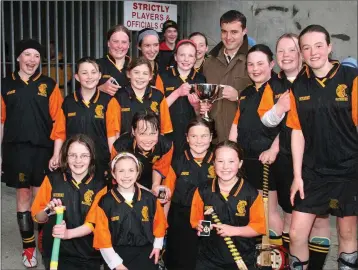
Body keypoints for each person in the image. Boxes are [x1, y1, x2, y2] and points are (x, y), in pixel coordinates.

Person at [287, 25, 358, 270]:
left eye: (318, 45)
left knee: (347, 234)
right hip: (313, 172)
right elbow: (297, 131)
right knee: (296, 234)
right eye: (306, 47)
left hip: (349, 170)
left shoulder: (350, 79)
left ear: (329, 46)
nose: (313, 52)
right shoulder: (298, 85)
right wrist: (297, 176)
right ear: (301, 53)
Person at [257, 33, 331, 269]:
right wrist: (279, 108)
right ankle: (294, 264)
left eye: (291, 50)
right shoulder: (273, 84)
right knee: (293, 217)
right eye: (281, 51)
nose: (286, 55)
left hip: (319, 160)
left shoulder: (313, 78)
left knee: (319, 219)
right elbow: (266, 121)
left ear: (301, 53)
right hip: (287, 159)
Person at [1, 39, 63, 268]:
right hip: (16, 150)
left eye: (36, 56)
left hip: (43, 150)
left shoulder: (49, 84)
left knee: (41, 200)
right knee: (23, 197)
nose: (32, 60)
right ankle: (28, 249)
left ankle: (43, 242)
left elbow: (58, 121)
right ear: (18, 57)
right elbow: (1, 121)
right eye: (27, 54)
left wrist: (57, 153)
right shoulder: (6, 84)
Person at [229, 44, 283, 248]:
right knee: (253, 210)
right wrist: (230, 150)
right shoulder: (246, 92)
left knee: (269, 211)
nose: (255, 68)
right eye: (251, 64)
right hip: (246, 160)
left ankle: (278, 258)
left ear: (271, 64)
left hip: (267, 161)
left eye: (260, 63)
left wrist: (273, 149)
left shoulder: (279, 88)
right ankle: (259, 254)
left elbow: (287, 126)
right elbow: (237, 122)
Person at [31, 134, 104, 270]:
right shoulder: (52, 179)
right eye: (72, 155)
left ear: (92, 157)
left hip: (88, 255)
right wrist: (48, 211)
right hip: (56, 253)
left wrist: (68, 234)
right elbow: (37, 217)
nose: (78, 160)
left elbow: (93, 223)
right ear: (65, 156)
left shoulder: (100, 185)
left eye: (84, 155)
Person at [190, 140, 266, 270]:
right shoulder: (203, 190)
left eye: (231, 161)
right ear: (214, 163)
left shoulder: (250, 193)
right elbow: (196, 221)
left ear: (240, 163)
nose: (225, 167)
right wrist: (201, 228)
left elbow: (258, 228)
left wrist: (233, 230)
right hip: (208, 260)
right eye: (220, 161)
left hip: (242, 259)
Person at [93, 152, 167, 270]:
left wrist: (157, 246)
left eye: (131, 170)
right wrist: (116, 264)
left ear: (137, 173)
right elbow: (102, 238)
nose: (126, 175)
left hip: (146, 255)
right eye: (121, 171)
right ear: (113, 173)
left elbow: (160, 225)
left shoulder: (150, 199)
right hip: (116, 256)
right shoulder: (105, 202)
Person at [49, 56, 116, 182]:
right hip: (74, 161)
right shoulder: (68, 102)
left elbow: (112, 135)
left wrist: (114, 160)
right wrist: (56, 155)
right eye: (84, 73)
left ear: (100, 75)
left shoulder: (109, 101)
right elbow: (60, 132)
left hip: (100, 161)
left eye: (93, 72)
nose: (89, 77)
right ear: (77, 77)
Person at [164, 118, 214, 270]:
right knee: (181, 260)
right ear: (186, 137)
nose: (199, 141)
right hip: (180, 218)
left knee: (206, 257)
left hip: (208, 217)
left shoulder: (219, 161)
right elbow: (167, 196)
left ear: (211, 137)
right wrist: (163, 225)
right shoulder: (177, 162)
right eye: (193, 136)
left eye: (204, 136)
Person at [201, 10, 251, 143]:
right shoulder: (209, 62)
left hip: (243, 139)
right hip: (213, 139)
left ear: (244, 31)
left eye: (234, 32)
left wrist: (239, 96)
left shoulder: (253, 60)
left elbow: (265, 97)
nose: (228, 37)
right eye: (224, 31)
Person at [106, 57, 172, 148]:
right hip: (126, 153)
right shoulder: (118, 98)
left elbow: (163, 131)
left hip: (151, 152)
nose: (140, 77)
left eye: (145, 73)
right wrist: (116, 157)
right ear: (129, 74)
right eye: (136, 72)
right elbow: (113, 134)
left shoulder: (159, 97)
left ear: (150, 76)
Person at [156, 39, 206, 156]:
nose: (186, 59)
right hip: (168, 133)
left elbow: (201, 114)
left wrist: (196, 107)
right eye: (182, 55)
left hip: (193, 136)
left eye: (190, 56)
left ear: (195, 59)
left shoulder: (200, 80)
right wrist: (177, 92)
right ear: (175, 57)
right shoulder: (163, 76)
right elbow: (156, 108)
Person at [111, 111, 173, 202]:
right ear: (133, 131)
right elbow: (121, 177)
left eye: (153, 134)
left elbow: (159, 167)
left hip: (150, 178)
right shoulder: (120, 147)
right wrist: (148, 192)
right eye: (142, 134)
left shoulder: (166, 146)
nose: (148, 139)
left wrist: (155, 185)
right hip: (125, 182)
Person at [97, 25, 131, 96]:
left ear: (128, 45)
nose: (120, 46)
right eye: (115, 41)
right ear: (108, 43)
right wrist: (99, 89)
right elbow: (81, 92)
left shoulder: (135, 66)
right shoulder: (96, 65)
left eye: (124, 42)